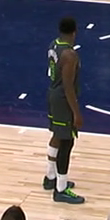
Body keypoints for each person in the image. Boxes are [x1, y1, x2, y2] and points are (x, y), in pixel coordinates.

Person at [46, 17, 85, 205]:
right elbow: (68, 87)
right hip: (63, 100)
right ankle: (60, 189)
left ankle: (50, 177)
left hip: (53, 94)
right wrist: (76, 112)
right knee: (67, 142)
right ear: (74, 32)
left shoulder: (53, 44)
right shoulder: (70, 55)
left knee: (57, 135)